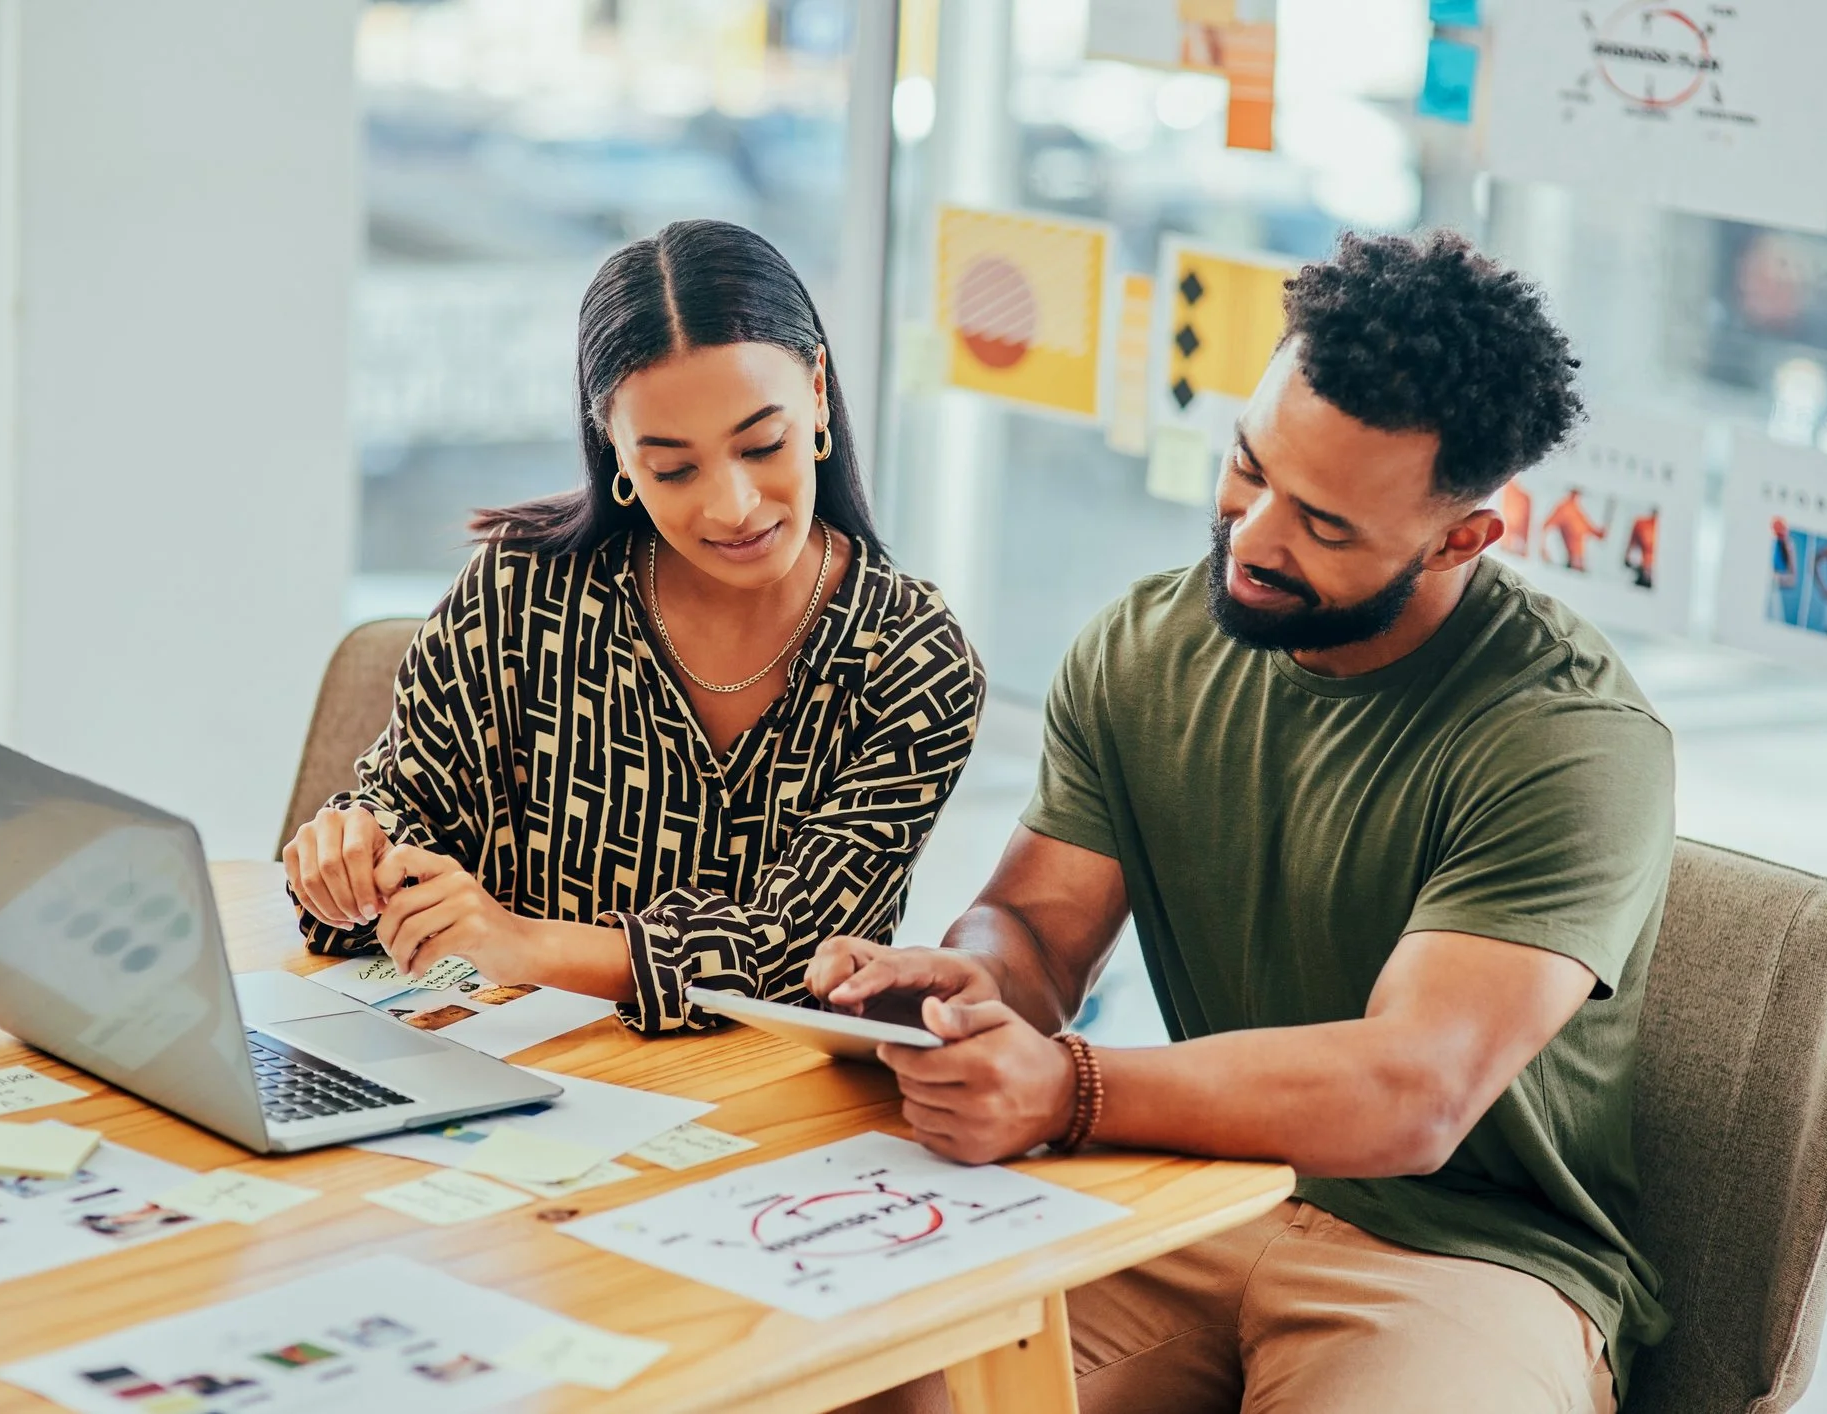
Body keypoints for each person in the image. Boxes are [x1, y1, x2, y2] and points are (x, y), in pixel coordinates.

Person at [818, 230, 1672, 1413]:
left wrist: (1067, 1087)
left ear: (1462, 537)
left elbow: (1409, 1090)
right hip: (1191, 1191)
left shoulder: (1569, 737)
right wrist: (966, 991)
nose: (1256, 535)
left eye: (1326, 527)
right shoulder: (1142, 646)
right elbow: (1037, 928)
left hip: (1466, 1258)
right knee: (855, 1381)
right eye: (1248, 466)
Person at [284, 220, 985, 1033]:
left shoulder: (912, 659)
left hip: (763, 1117)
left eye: (762, 444)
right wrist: (353, 860)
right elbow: (408, 816)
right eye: (673, 468)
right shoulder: (519, 592)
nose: (734, 506)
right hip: (503, 1069)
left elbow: (796, 957)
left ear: (818, 390)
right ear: (613, 450)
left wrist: (518, 943)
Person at [1539, 486, 1607, 572]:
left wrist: (1602, 533)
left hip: (1578, 560)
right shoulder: (1564, 508)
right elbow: (1545, 527)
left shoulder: (1577, 510)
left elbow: (1593, 531)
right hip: (1573, 560)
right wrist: (1543, 549)